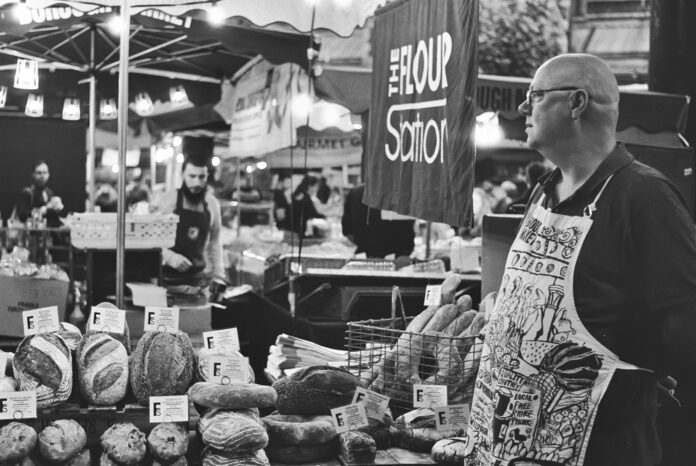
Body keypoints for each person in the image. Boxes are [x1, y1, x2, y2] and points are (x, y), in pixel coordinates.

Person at [463, 54, 696, 466]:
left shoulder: (644, 196)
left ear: (576, 103)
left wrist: (643, 376)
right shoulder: (543, 191)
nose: (523, 107)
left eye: (535, 95)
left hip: (598, 447)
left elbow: (684, 325)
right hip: (506, 442)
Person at [152, 156, 224, 288]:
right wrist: (169, 257)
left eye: (202, 177)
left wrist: (218, 275)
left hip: (198, 280)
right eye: (192, 176)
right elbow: (150, 239)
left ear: (207, 176)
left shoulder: (212, 204)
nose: (197, 183)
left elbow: (215, 242)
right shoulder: (166, 200)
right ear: (182, 175)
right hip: (167, 280)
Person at [342, 184, 415, 258]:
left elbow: (348, 231)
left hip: (367, 257)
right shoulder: (404, 192)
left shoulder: (356, 192)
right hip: (399, 258)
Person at [13, 160, 66, 227]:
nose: (42, 176)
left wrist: (58, 208)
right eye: (39, 173)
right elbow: (22, 215)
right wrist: (45, 209)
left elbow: (53, 217)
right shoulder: (27, 193)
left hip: (46, 231)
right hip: (29, 231)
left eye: (45, 172)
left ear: (48, 174)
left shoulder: (49, 193)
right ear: (33, 174)